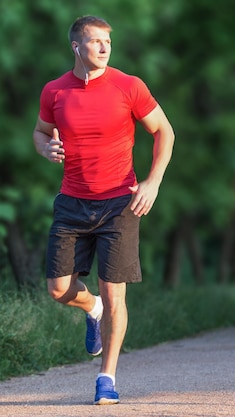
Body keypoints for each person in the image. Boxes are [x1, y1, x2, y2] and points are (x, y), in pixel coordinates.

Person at [32, 15, 174, 405]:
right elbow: (41, 131)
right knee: (58, 289)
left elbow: (164, 130)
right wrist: (46, 148)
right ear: (76, 47)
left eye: (108, 41)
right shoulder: (55, 91)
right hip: (72, 201)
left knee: (116, 296)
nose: (104, 48)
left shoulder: (129, 86)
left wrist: (152, 182)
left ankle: (106, 378)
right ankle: (90, 307)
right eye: (96, 42)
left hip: (119, 203)